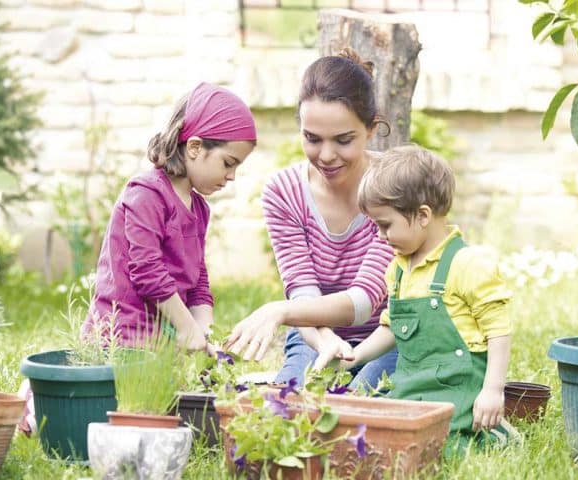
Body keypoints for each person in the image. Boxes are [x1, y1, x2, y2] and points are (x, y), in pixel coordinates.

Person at [316, 145, 516, 450]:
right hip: (413, 387)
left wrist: (493, 391)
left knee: (440, 450)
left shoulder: (467, 263)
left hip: (460, 390)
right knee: (376, 439)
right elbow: (392, 326)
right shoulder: (398, 269)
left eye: (385, 225)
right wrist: (353, 357)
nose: (380, 236)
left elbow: (499, 330)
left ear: (423, 215)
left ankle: (496, 435)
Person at [223, 48, 397, 389]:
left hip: (387, 339)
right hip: (314, 335)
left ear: (371, 129)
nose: (327, 155)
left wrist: (280, 311)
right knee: (292, 412)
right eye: (312, 139)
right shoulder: (284, 192)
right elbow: (303, 293)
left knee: (361, 407)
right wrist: (324, 342)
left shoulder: (395, 187)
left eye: (344, 140)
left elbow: (364, 302)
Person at [83, 82, 257, 352]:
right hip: (119, 340)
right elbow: (147, 271)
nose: (232, 175)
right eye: (228, 163)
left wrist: (205, 334)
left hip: (163, 343)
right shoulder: (147, 194)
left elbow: (198, 278)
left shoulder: (199, 209)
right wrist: (187, 328)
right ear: (195, 147)